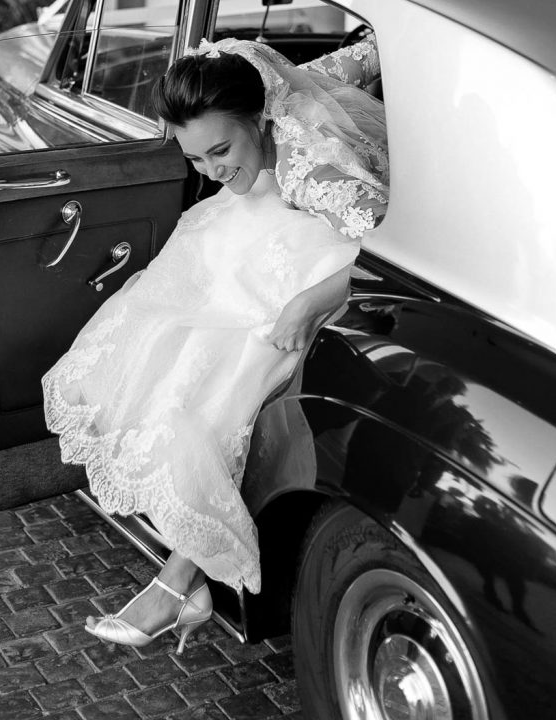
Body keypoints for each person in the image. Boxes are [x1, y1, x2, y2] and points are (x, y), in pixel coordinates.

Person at [41, 34, 389, 653]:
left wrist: (310, 302)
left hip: (309, 270)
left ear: (261, 117)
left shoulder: (316, 167)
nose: (212, 172)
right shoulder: (273, 85)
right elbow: (363, 54)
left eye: (222, 150)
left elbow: (392, 254)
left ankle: (181, 581)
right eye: (196, 159)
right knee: (158, 352)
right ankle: (184, 576)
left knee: (215, 386)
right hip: (253, 245)